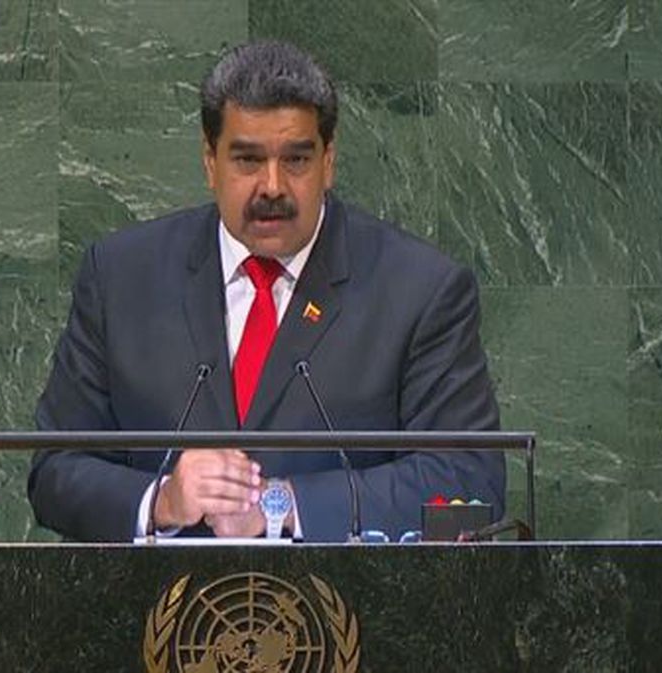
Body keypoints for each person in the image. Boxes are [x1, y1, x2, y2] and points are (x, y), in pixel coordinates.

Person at [28, 40, 503, 542]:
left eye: (296, 160)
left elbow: (469, 480)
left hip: (354, 610)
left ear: (329, 161)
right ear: (210, 162)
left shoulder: (420, 290)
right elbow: (55, 470)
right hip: (152, 611)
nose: (272, 186)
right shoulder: (122, 277)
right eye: (248, 160)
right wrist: (162, 500)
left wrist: (288, 505)